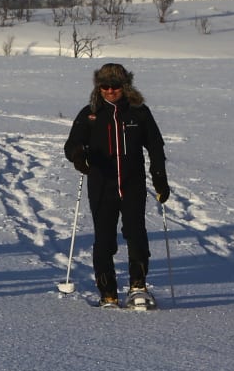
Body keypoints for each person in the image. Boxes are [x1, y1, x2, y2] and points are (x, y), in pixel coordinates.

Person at [63, 61, 169, 308]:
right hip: (102, 183)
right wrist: (78, 155)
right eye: (105, 86)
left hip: (133, 183)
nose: (110, 91)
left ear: (125, 86)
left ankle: (138, 286)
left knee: (136, 233)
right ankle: (108, 292)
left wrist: (159, 177)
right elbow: (71, 144)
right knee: (104, 239)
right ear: (98, 87)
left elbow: (155, 145)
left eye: (116, 86)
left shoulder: (139, 112)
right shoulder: (90, 114)